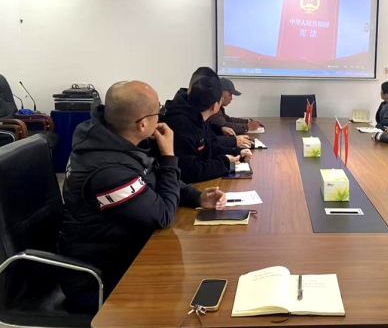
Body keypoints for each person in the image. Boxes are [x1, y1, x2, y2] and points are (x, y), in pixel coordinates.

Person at [58, 81, 226, 308]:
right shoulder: (108, 173)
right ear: (143, 124)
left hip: (127, 249)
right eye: (159, 111)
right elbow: (163, 214)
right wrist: (169, 156)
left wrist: (196, 197)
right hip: (100, 278)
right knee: (195, 288)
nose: (162, 117)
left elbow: (152, 177)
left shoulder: (116, 140)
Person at [162, 76, 252, 183]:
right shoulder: (182, 125)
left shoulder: (200, 118)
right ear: (215, 106)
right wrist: (225, 162)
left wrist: (238, 153)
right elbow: (188, 171)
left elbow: (212, 148)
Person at [186, 67, 252, 149]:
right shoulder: (184, 120)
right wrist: (233, 141)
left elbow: (208, 136)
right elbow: (204, 143)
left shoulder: (196, 112)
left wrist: (220, 129)